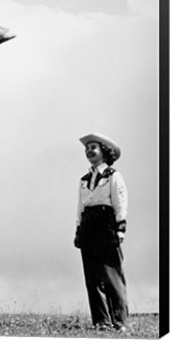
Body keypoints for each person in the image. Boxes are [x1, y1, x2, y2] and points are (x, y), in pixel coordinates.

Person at [74, 133, 129, 332]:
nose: (89, 152)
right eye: (86, 149)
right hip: (89, 225)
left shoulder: (113, 176)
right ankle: (101, 321)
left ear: (104, 152)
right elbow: (80, 207)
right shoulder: (84, 179)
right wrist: (79, 230)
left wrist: (120, 228)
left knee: (111, 274)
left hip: (106, 224)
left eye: (93, 148)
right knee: (93, 277)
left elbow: (120, 203)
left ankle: (119, 321)